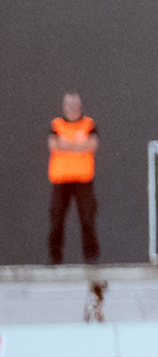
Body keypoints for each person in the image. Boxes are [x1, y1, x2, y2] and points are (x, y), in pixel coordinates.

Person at [47, 92, 100, 266]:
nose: (72, 108)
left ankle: (91, 258)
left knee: (87, 218)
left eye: (75, 104)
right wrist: (79, 145)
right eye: (68, 105)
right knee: (57, 219)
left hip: (83, 180)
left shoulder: (89, 124)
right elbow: (54, 144)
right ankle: (55, 257)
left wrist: (66, 145)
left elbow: (91, 145)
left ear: (80, 106)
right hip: (61, 179)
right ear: (64, 106)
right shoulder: (57, 124)